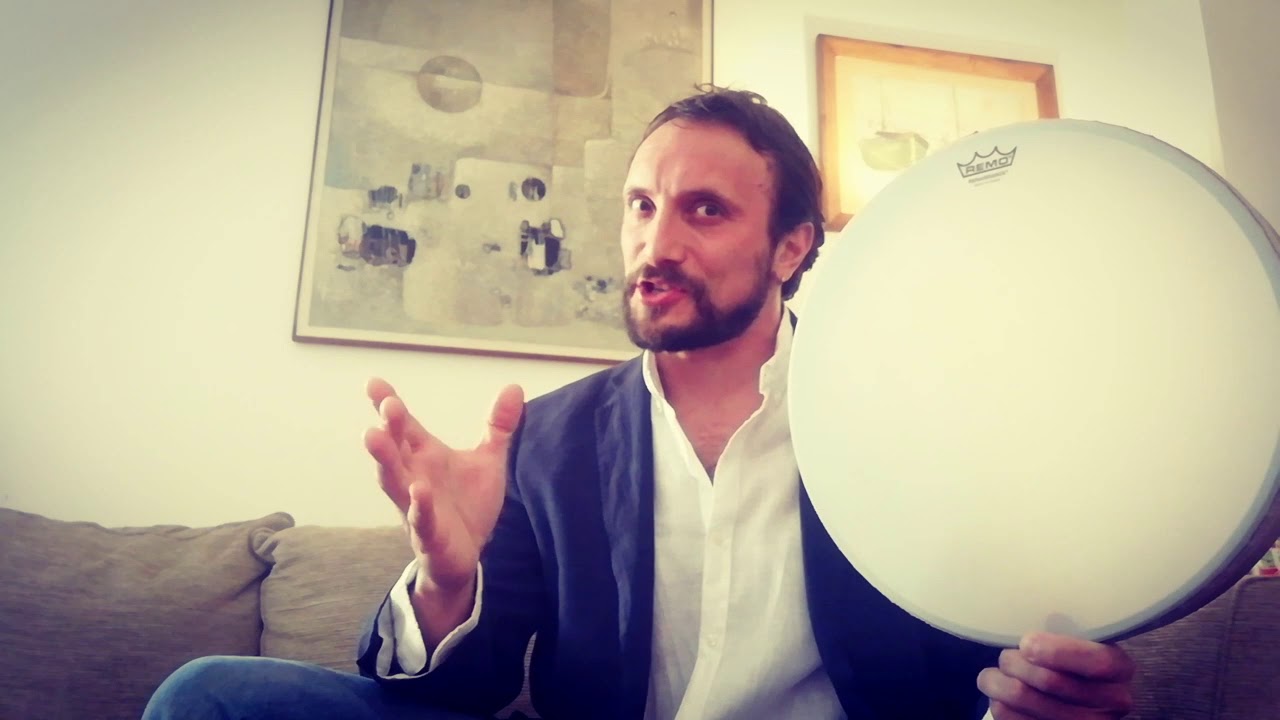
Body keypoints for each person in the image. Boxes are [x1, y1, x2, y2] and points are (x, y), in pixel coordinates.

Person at [144, 87, 1136, 720]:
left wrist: (1048, 693)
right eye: (641, 205)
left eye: (705, 210)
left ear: (791, 247)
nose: (656, 244)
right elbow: (465, 693)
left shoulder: (906, 421)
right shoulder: (547, 439)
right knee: (213, 696)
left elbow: (992, 659)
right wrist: (447, 579)